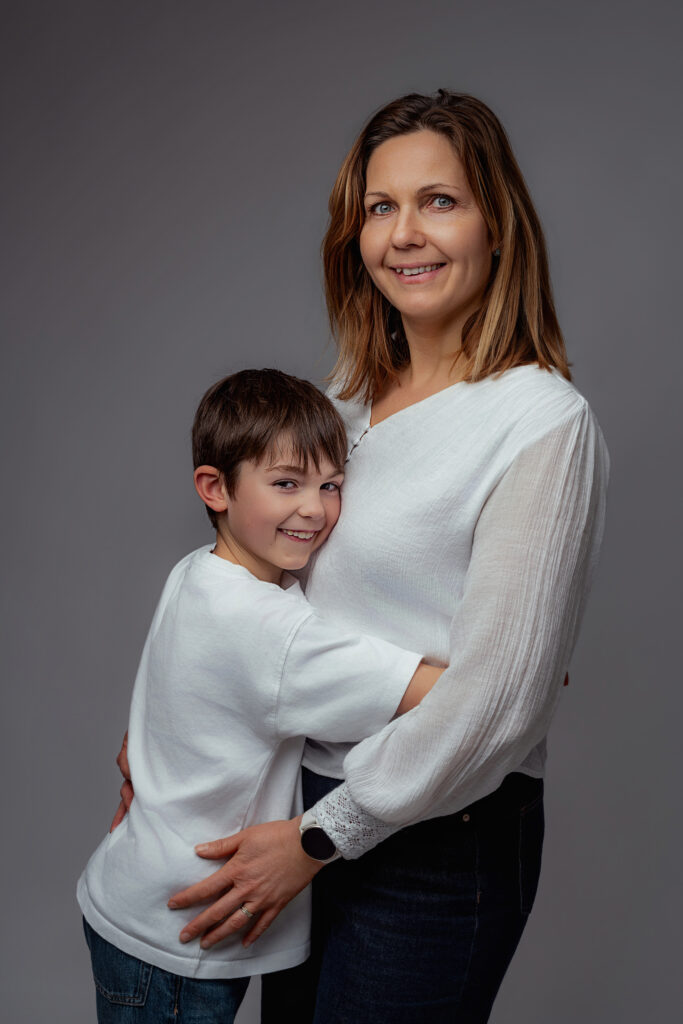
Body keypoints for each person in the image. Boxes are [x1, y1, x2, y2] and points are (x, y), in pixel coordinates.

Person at [118, 91, 609, 1023]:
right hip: (300, 804)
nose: (404, 234)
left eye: (439, 201)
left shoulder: (541, 422)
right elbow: (246, 581)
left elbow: (501, 704)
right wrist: (167, 731)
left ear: (497, 224)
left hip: (430, 838)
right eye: (380, 207)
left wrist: (315, 839)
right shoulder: (342, 404)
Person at [78, 369, 445, 1022]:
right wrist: (520, 665)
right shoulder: (269, 631)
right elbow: (443, 694)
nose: (314, 507)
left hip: (135, 895)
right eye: (286, 483)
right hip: (179, 933)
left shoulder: (198, 571)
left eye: (330, 485)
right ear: (214, 488)